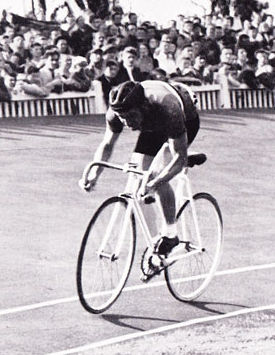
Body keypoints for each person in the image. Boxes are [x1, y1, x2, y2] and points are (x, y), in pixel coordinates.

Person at [80, 80, 201, 271]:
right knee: (138, 181)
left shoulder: (167, 107)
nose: (127, 123)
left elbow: (179, 158)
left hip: (183, 121)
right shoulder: (115, 112)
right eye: (122, 118)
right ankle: (155, 247)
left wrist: (154, 182)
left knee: (155, 175)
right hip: (150, 125)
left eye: (130, 116)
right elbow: (107, 144)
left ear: (143, 106)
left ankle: (171, 234)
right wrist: (95, 173)